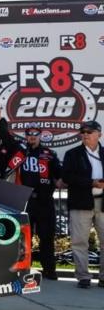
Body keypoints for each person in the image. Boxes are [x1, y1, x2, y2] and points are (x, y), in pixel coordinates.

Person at [6, 124, 61, 280]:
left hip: (45, 201)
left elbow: (60, 175)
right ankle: (22, 269)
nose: (32, 137)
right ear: (26, 135)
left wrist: (61, 181)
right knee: (23, 237)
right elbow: (6, 137)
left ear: (40, 135)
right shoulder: (21, 152)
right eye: (29, 134)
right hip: (25, 200)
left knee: (47, 237)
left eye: (35, 134)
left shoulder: (49, 154)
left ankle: (50, 271)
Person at [62, 120, 104, 288]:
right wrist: (91, 182)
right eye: (83, 132)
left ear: (99, 134)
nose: (85, 134)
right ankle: (83, 276)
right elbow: (67, 177)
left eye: (89, 131)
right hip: (81, 202)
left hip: (103, 202)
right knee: (79, 241)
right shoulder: (72, 154)